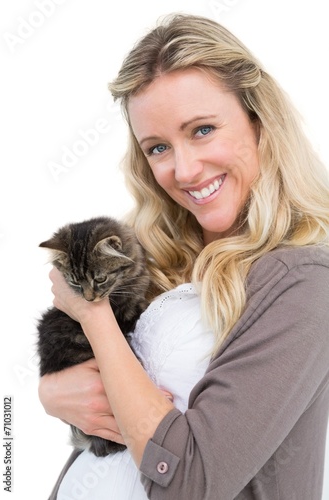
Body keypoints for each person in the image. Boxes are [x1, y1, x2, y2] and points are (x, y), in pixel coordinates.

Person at [39, 13, 329, 500]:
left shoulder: (304, 281)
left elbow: (191, 481)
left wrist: (92, 314)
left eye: (202, 130)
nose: (184, 170)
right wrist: (54, 394)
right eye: (157, 147)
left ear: (259, 121)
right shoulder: (164, 255)